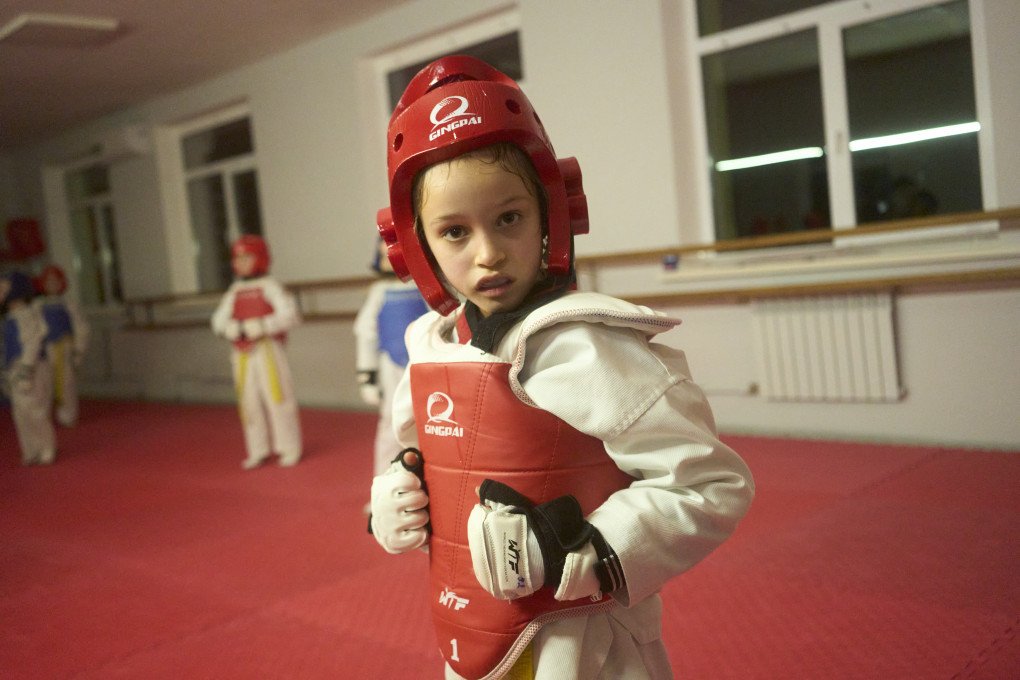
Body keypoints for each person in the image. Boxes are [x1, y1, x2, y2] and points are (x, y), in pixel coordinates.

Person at [368, 56, 755, 680]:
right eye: (454, 232)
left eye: (509, 218)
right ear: (414, 244)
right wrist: (396, 496)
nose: (489, 253)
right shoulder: (430, 345)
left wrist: (591, 547)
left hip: (582, 641)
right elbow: (423, 456)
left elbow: (710, 483)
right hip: (470, 627)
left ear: (552, 212)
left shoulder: (585, 346)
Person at [211, 235, 303, 469]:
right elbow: (218, 320)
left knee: (278, 396)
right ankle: (258, 449)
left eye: (247, 257)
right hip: (242, 354)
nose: (241, 262)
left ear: (260, 258)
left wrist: (262, 325)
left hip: (268, 350)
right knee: (248, 401)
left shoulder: (271, 286)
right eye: (237, 258)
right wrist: (231, 328)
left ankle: (289, 447)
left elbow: (290, 315)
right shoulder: (235, 290)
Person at [353, 238, 429, 482]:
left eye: (392, 254)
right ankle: (385, 483)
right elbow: (366, 334)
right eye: (384, 256)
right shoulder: (378, 292)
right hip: (391, 367)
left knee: (428, 424)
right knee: (390, 424)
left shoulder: (424, 287)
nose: (389, 260)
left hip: (424, 365)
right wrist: (367, 376)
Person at [2, 271, 56, 465]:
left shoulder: (27, 315)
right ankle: (31, 449)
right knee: (20, 412)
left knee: (35, 409)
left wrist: (26, 370)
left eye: (4, 287)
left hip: (31, 367)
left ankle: (45, 447)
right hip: (15, 368)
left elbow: (32, 343)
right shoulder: (10, 317)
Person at [34, 264, 89, 427]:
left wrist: (79, 349)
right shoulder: (38, 305)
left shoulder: (68, 304)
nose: (52, 284)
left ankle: (67, 415)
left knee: (66, 383)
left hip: (63, 348)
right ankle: (42, 417)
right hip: (43, 349)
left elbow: (81, 327)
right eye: (48, 281)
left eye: (55, 281)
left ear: (61, 283)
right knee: (43, 384)